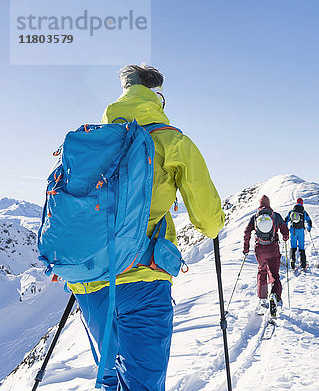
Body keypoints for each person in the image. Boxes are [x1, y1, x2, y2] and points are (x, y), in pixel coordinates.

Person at [68, 64, 225, 391]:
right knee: (141, 384)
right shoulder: (171, 141)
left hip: (89, 283)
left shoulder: (93, 141)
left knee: (109, 377)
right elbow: (209, 221)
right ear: (157, 96)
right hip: (142, 279)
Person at [243, 195, 289, 311]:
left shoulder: (255, 217)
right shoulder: (275, 216)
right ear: (269, 204)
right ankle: (275, 296)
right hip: (273, 248)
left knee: (262, 272)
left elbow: (247, 232)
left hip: (260, 249)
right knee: (274, 274)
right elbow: (285, 229)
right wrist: (285, 237)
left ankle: (262, 299)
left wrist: (246, 248)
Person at [285, 198, 313, 270]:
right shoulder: (304, 212)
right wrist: (309, 229)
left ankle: (292, 261)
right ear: (302, 203)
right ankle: (303, 264)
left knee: (293, 247)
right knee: (301, 248)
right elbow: (309, 221)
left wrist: (286, 229)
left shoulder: (291, 211)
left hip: (293, 231)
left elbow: (286, 220)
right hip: (301, 231)